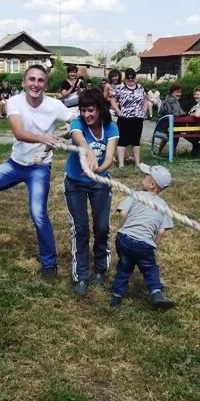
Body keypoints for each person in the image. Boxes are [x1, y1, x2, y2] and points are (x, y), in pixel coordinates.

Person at [0, 64, 74, 279]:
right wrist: (44, 138)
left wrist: (69, 133)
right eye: (31, 79)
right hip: (15, 164)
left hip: (39, 168)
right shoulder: (13, 102)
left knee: (38, 214)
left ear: (45, 84)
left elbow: (75, 121)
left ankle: (49, 264)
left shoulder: (55, 106)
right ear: (24, 83)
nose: (35, 84)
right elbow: (19, 132)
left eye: (40, 80)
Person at [64, 89, 119, 296]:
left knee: (102, 227)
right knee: (80, 228)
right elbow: (79, 138)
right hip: (75, 182)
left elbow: (109, 158)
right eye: (84, 110)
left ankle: (100, 269)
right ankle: (81, 275)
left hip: (100, 182)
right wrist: (87, 150)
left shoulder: (111, 127)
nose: (87, 115)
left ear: (100, 108)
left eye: (91, 110)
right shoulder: (77, 124)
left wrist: (98, 168)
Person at [110, 164, 175, 310]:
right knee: (150, 268)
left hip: (124, 239)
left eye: (145, 175)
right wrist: (154, 245)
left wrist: (122, 228)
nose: (142, 176)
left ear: (152, 184)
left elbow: (123, 213)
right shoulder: (163, 205)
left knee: (124, 267)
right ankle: (156, 293)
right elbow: (162, 231)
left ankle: (116, 297)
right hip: (144, 244)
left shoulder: (135, 195)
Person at [110, 68, 146, 167]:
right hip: (124, 118)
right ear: (125, 77)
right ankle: (121, 163)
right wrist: (118, 111)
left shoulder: (140, 87)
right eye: (128, 77)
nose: (130, 79)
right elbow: (112, 100)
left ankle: (137, 163)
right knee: (122, 140)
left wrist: (144, 112)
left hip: (138, 117)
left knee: (136, 141)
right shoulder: (120, 88)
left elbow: (144, 100)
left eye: (132, 77)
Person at [154, 84, 184, 155]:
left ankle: (160, 151)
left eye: (180, 92)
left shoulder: (168, 99)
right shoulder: (172, 101)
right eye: (177, 92)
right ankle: (171, 152)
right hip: (166, 125)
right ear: (172, 92)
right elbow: (175, 114)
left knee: (174, 132)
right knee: (175, 132)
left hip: (162, 125)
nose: (179, 94)